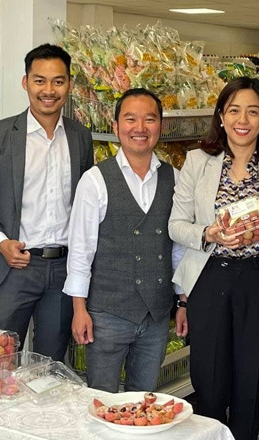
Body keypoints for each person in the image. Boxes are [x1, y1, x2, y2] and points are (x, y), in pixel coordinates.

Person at [168, 76, 259, 440]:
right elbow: (176, 225)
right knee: (208, 381)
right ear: (221, 117)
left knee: (250, 383)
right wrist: (208, 233)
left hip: (258, 281)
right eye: (234, 110)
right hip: (209, 277)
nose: (243, 119)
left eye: (253, 111)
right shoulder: (197, 162)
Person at [0, 44, 94, 361]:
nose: (48, 90)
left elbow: (86, 202)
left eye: (58, 81)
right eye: (39, 80)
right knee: (0, 362)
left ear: (69, 84)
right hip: (14, 268)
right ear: (25, 82)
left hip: (63, 270)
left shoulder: (80, 136)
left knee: (50, 367)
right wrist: (1, 242)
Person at [63, 88, 185, 393]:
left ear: (161, 126)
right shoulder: (95, 180)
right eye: (130, 119)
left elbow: (180, 249)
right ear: (116, 127)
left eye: (149, 119)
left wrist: (183, 301)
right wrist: (79, 309)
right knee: (101, 399)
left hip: (157, 314)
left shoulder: (176, 178)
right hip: (107, 314)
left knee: (145, 400)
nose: (140, 128)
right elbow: (81, 250)